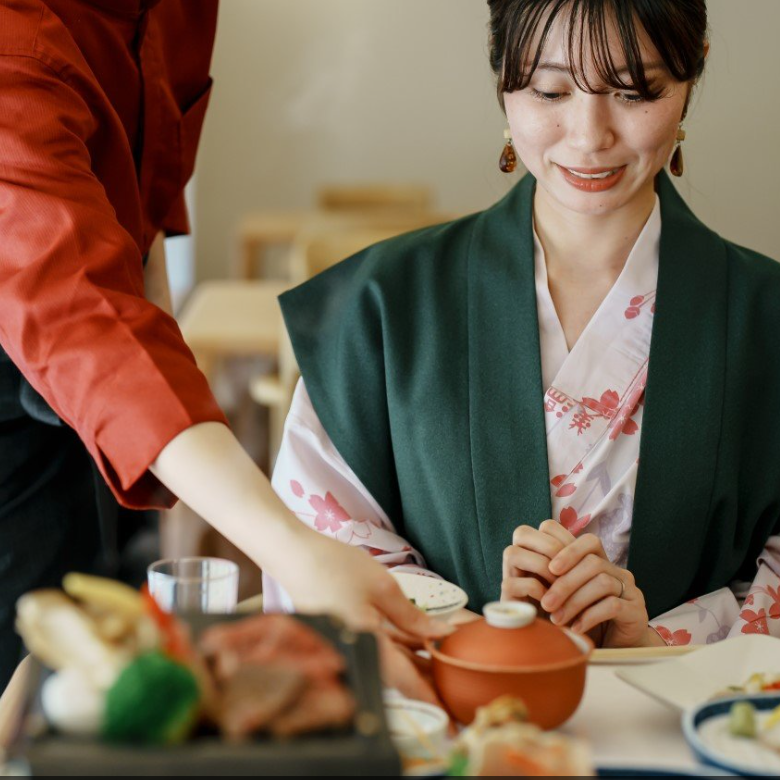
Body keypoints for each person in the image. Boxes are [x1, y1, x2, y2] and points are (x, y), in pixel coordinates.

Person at [264, 0, 780, 648]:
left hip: (693, 712)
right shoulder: (380, 307)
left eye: (633, 91)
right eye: (550, 91)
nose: (588, 136)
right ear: (501, 70)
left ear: (691, 74)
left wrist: (656, 643)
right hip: (449, 708)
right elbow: (320, 554)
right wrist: (479, 633)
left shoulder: (766, 318)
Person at [0, 0, 443, 693]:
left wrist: (159, 353)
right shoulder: (16, 40)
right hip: (41, 346)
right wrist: (292, 550)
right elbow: (77, 308)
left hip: (90, 370)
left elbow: (143, 203)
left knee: (75, 660)